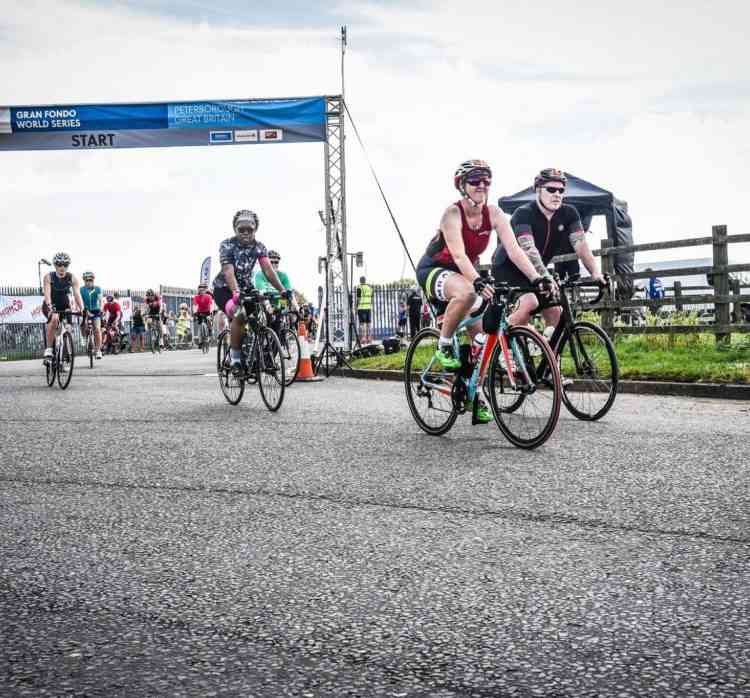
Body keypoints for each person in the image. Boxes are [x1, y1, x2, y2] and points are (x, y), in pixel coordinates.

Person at [416, 160, 546, 424]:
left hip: (466, 273)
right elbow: (460, 256)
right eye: (475, 181)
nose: (482, 186)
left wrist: (536, 277)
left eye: (486, 181)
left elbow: (514, 249)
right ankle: (444, 347)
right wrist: (477, 281)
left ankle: (474, 394)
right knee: (468, 294)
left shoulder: (495, 213)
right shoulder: (452, 214)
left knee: (483, 340)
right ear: (462, 186)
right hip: (435, 268)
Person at [492, 168, 603, 330]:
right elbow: (529, 249)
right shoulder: (523, 213)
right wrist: (546, 277)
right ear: (537, 190)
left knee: (556, 312)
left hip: (538, 271)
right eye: (551, 189)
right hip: (509, 268)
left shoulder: (569, 213)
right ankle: (500, 344)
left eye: (561, 190)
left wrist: (595, 272)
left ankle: (549, 355)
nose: (557, 194)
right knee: (530, 302)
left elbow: (581, 244)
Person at [211, 209, 292, 372]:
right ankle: (235, 359)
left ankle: (258, 355)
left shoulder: (259, 247)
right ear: (235, 229)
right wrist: (235, 293)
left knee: (262, 315)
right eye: (241, 230)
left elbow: (269, 271)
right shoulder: (227, 245)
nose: (246, 233)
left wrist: (283, 291)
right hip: (224, 289)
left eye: (250, 229)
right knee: (239, 315)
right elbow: (228, 271)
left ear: (255, 229)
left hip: (245, 286)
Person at [42, 252, 84, 362]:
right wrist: (50, 307)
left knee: (68, 329)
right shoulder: (48, 277)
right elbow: (47, 294)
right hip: (50, 304)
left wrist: (82, 308)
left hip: (65, 305)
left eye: (65, 265)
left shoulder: (72, 278)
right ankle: (49, 349)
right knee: (55, 319)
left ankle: (64, 356)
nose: (62, 267)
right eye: (59, 265)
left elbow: (77, 295)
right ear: (55, 265)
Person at [80, 271, 103, 359]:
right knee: (83, 324)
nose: (88, 282)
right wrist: (82, 309)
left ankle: (98, 350)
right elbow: (79, 300)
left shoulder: (97, 289)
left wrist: (100, 308)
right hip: (85, 310)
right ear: (84, 281)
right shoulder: (81, 289)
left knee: (97, 329)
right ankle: (84, 337)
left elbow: (100, 300)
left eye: (90, 280)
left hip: (95, 310)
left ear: (93, 280)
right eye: (86, 280)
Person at [356, 276, 373, 344]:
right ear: (365, 280)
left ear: (360, 281)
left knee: (362, 324)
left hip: (361, 308)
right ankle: (369, 338)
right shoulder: (370, 288)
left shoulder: (359, 288)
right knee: (369, 324)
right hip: (368, 308)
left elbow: (359, 298)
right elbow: (372, 299)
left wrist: (356, 306)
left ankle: (363, 338)